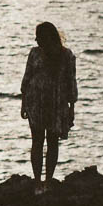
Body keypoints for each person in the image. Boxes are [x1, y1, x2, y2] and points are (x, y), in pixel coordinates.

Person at [20, 21, 77, 193]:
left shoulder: (66, 56)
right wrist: (24, 103)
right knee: (37, 141)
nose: (36, 40)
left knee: (53, 142)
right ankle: (37, 181)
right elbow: (27, 78)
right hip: (36, 102)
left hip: (56, 104)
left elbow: (70, 82)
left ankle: (49, 181)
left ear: (48, 37)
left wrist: (71, 107)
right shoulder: (34, 54)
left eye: (39, 37)